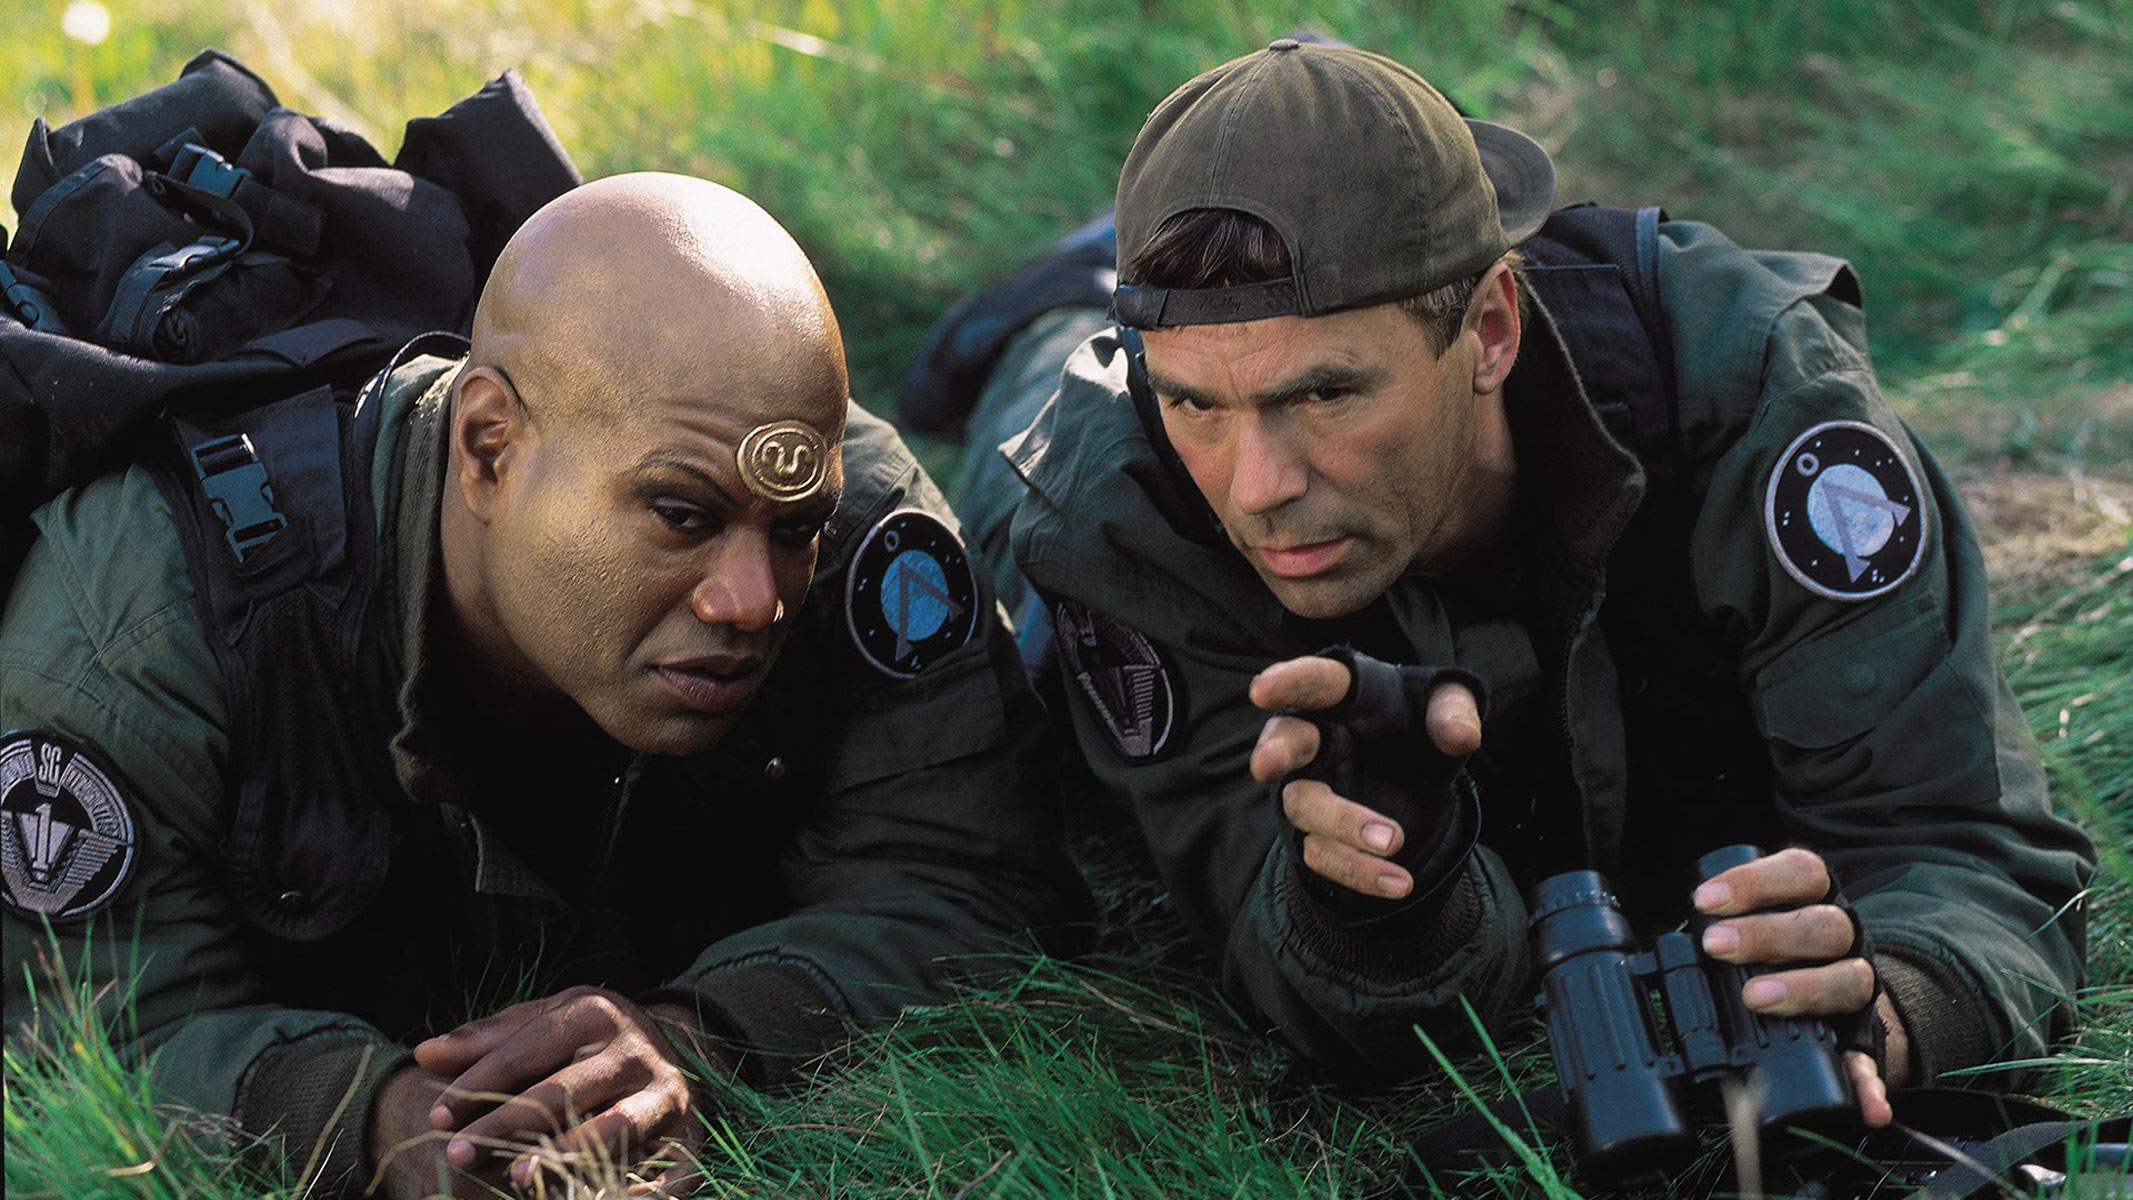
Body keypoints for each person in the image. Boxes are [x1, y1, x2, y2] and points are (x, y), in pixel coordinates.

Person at [920, 42, 2095, 1122]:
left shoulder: (1746, 399)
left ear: (1488, 327)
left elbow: (1962, 845)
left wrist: (1896, 1000)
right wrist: (1388, 888)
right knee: (1041, 405)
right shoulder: (1121, 504)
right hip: (1073, 428)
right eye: (1197, 403)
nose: (1259, 486)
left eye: (1325, 393)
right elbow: (1283, 966)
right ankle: (1063, 297)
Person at [0, 172, 1086, 1197]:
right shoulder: (144, 617)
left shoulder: (846, 510)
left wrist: (706, 1038)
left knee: (1068, 528)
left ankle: (1059, 322)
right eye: (681, 516)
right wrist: (369, 1124)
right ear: (488, 448)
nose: (753, 600)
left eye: (793, 531)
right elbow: (61, 1024)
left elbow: (975, 872)